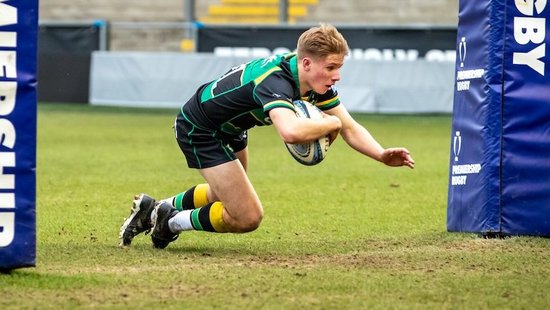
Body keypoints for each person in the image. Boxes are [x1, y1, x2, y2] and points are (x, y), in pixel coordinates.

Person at [119, 23, 415, 249]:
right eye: (332, 68)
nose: (337, 76)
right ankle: (170, 222)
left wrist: (380, 153)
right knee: (247, 216)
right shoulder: (276, 80)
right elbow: (290, 131)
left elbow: (348, 124)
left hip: (231, 126)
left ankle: (154, 208)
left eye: (339, 67)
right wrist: (330, 125)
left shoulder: (308, 79)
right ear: (307, 63)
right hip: (201, 128)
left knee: (225, 196)